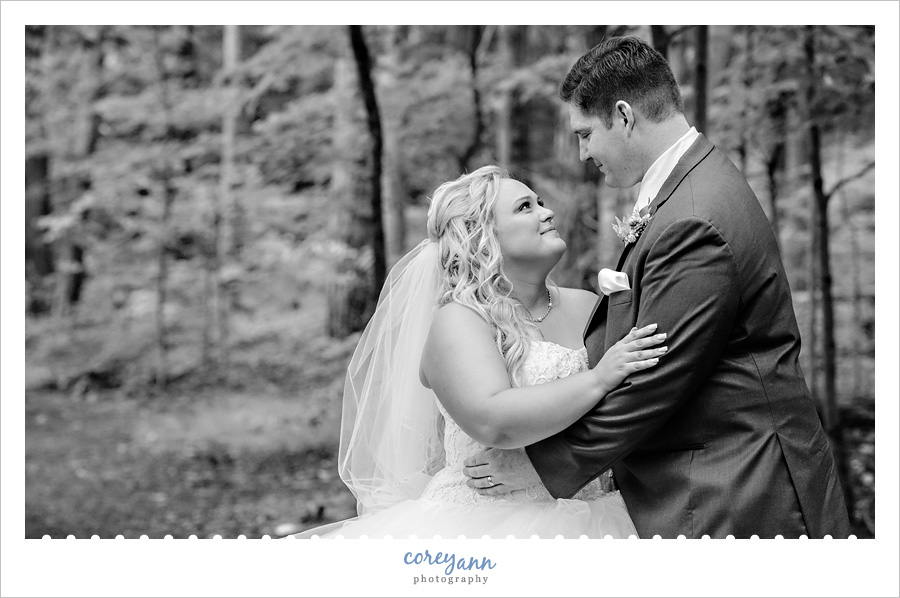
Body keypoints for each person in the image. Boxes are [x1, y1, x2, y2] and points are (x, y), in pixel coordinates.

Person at [463, 36, 852, 539]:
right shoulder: (690, 186)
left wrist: (540, 467)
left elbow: (656, 381)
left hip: (736, 489)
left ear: (624, 116)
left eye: (586, 134)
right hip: (715, 479)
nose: (582, 152)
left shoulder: (692, 216)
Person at [294, 165, 668, 539]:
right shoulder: (458, 320)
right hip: (486, 524)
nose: (547, 212)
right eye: (525, 207)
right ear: (484, 236)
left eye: (539, 202)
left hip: (595, 515)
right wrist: (600, 378)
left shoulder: (587, 306)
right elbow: (494, 421)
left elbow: (625, 408)